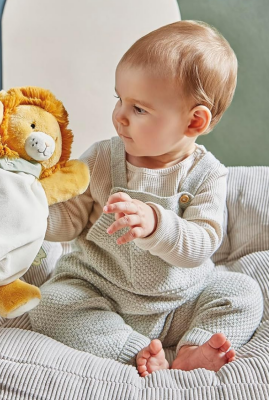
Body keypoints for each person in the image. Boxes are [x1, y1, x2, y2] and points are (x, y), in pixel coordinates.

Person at [28, 20, 264, 376]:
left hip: (181, 300)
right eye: (119, 99)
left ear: (194, 122)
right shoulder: (102, 158)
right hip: (100, 291)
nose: (119, 117)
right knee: (50, 303)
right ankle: (134, 349)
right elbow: (69, 219)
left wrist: (157, 224)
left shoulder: (207, 174)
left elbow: (202, 244)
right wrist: (34, 208)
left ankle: (193, 348)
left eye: (139, 109)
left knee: (243, 292)